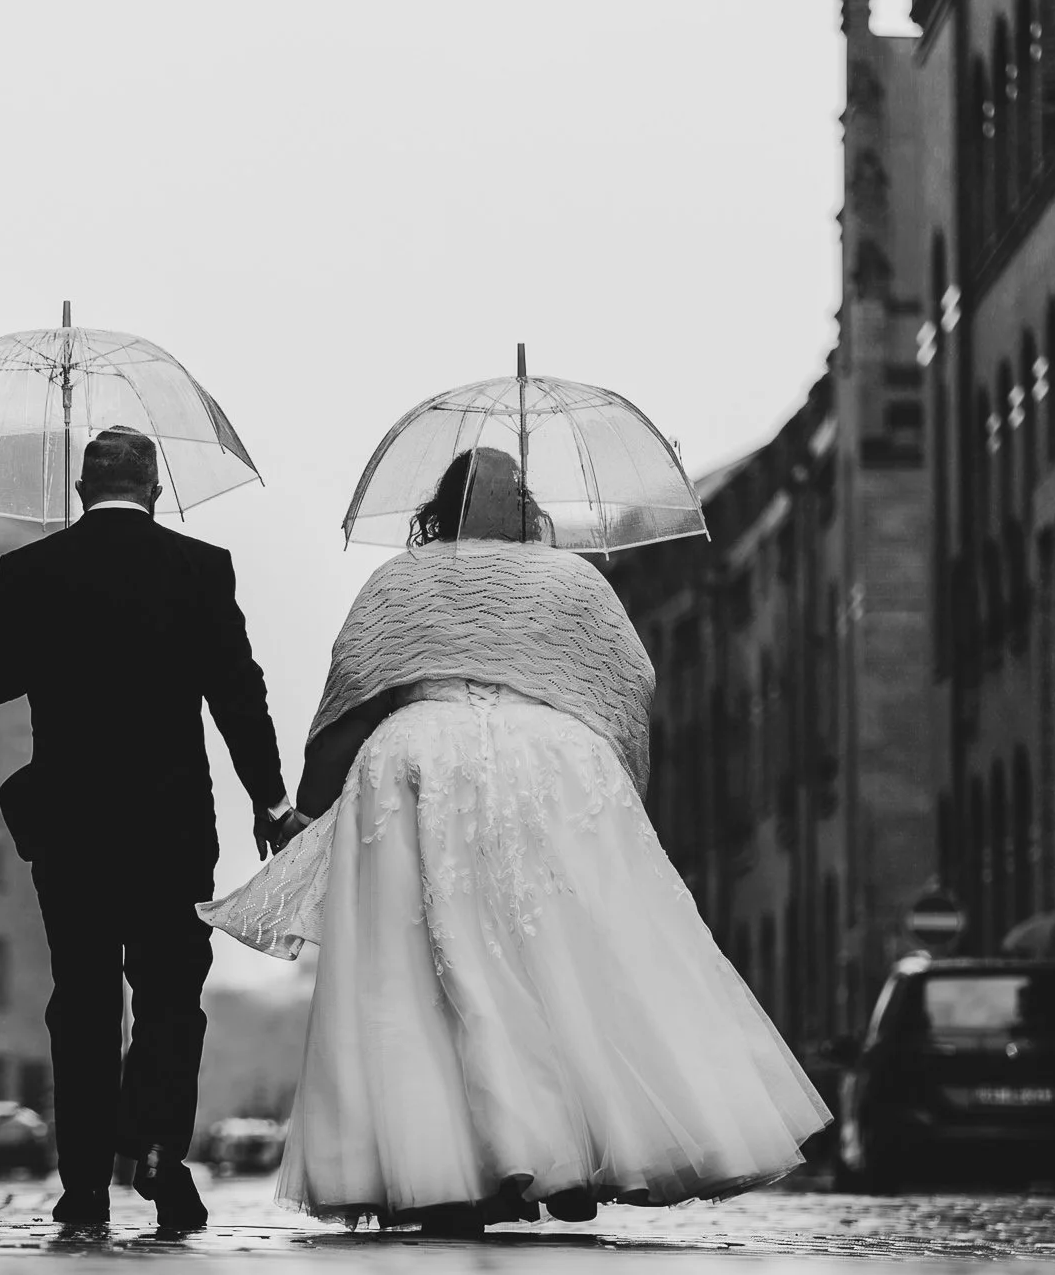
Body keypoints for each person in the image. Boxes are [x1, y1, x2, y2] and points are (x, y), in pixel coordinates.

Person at [205, 446, 830, 1233]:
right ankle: (566, 1148)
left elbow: (352, 694)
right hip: (551, 763)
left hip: (417, 758)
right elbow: (627, 686)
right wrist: (606, 776)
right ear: (526, 506)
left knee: (420, 976)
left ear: (442, 505)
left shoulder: (399, 579)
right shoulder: (572, 580)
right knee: (565, 958)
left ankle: (450, 1170)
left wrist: (306, 803)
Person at [0, 426, 305, 1232]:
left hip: (69, 829)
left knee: (81, 999)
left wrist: (38, 613)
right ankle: (156, 1153)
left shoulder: (30, 571)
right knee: (169, 996)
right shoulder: (198, 568)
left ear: (83, 492)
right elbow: (238, 694)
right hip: (170, 827)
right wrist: (269, 801)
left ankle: (83, 1184)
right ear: (155, 491)